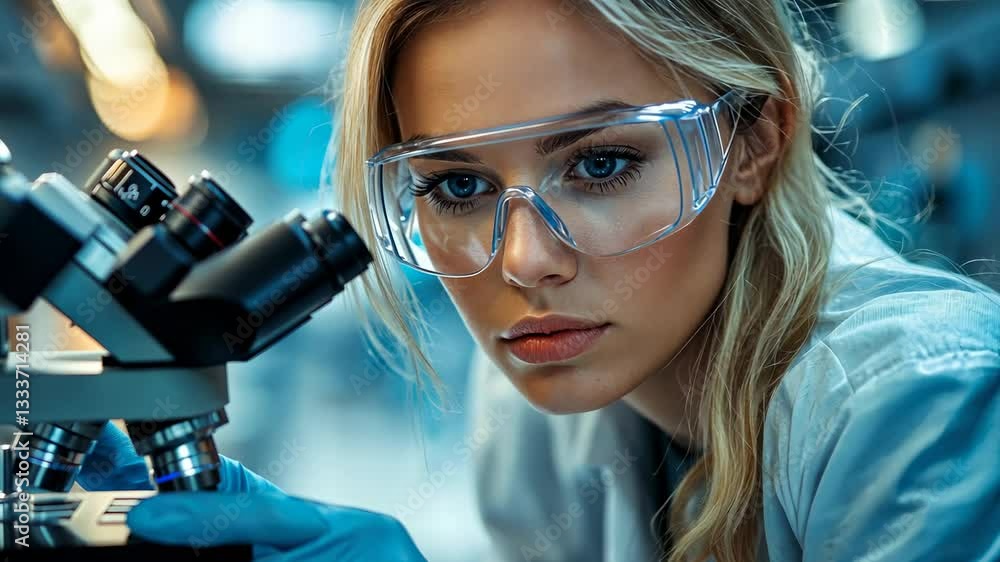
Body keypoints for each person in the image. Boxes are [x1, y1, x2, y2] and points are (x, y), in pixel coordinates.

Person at [86, 0, 1000, 560]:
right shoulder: (535, 402)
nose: (524, 261)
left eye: (600, 165)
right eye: (457, 186)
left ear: (754, 142)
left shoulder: (913, 401)